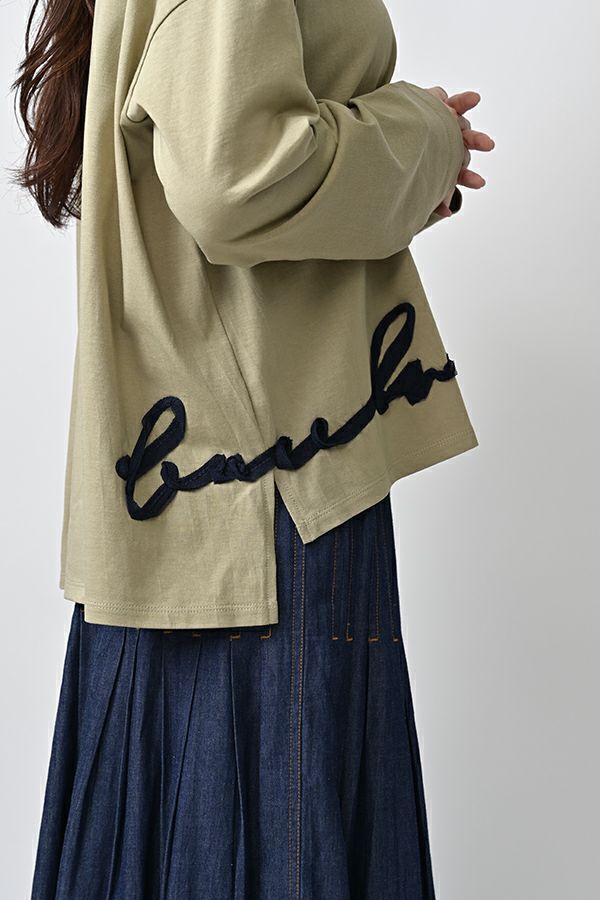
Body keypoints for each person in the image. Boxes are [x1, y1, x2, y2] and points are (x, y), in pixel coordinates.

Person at [10, 0, 494, 895]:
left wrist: (397, 174)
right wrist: (422, 134)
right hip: (270, 494)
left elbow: (220, 156)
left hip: (223, 479)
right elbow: (235, 181)